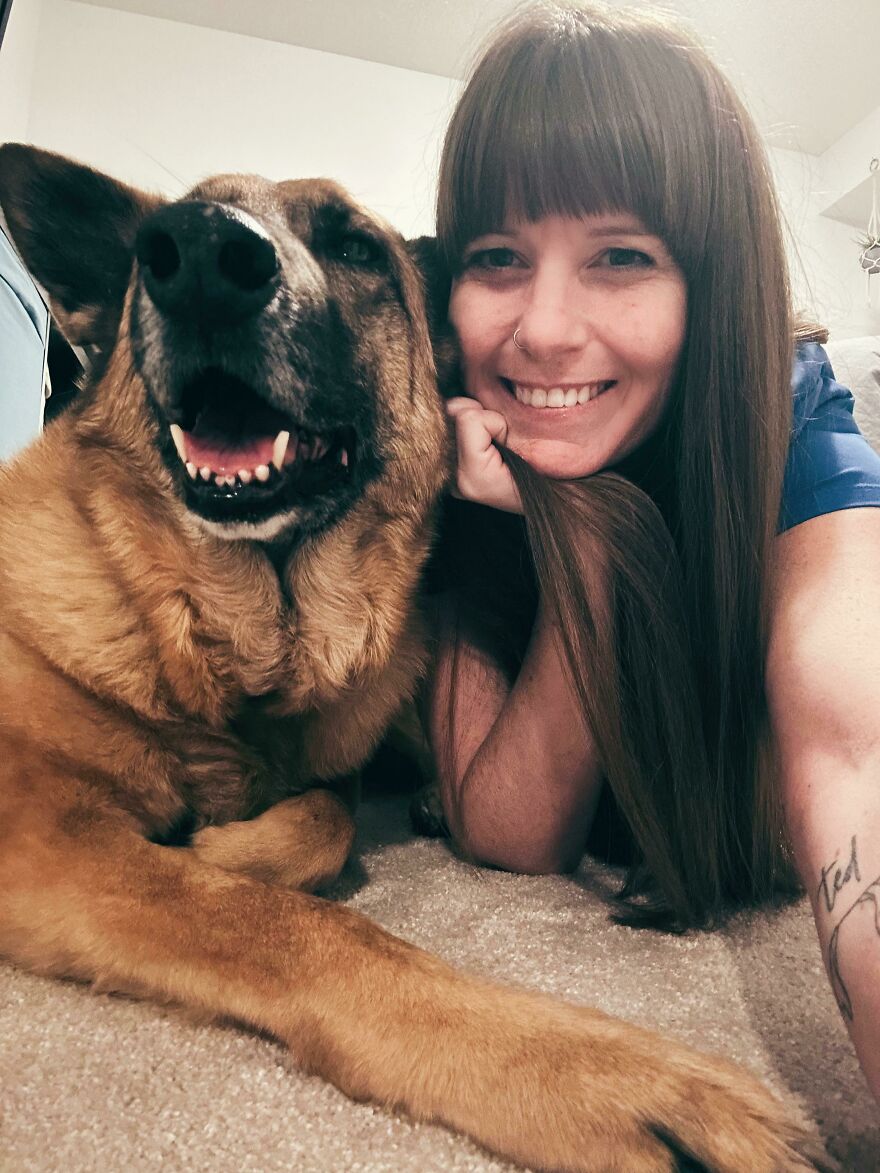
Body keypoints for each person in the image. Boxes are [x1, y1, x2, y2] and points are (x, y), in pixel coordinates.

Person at [420, 0, 880, 1106]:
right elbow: (508, 830)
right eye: (497, 257)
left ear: (708, 284)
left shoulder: (790, 418)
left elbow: (853, 751)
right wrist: (584, 534)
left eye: (621, 255)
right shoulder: (449, 449)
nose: (543, 329)